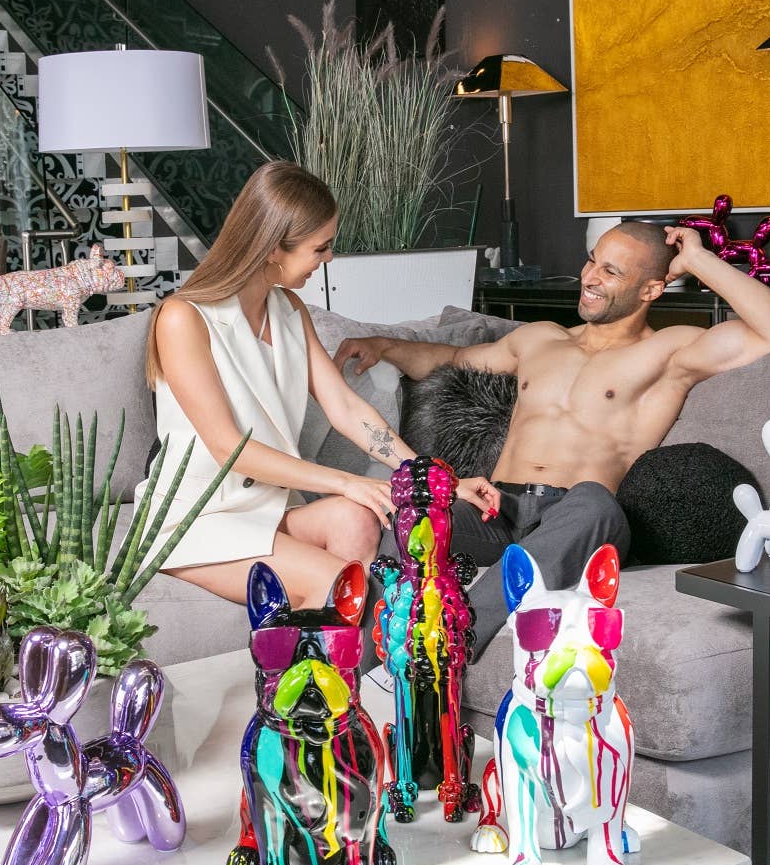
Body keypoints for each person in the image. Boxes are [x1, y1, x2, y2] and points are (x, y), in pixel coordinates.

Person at [335, 221, 770, 649]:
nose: (589, 277)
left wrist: (699, 261)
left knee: (596, 502)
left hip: (577, 519)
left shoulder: (670, 351)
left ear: (651, 289)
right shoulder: (539, 338)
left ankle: (457, 634)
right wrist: (385, 346)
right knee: (417, 511)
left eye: (611, 272)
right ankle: (368, 653)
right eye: (591, 261)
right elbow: (454, 361)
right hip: (496, 508)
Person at [138, 161, 500, 610]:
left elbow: (346, 409)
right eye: (321, 247)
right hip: (197, 518)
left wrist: (435, 480)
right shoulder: (183, 318)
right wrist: (347, 482)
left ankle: (351, 653)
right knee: (338, 579)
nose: (329, 258)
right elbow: (229, 449)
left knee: (358, 517)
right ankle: (336, 650)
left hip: (268, 509)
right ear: (274, 247)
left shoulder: (289, 310)